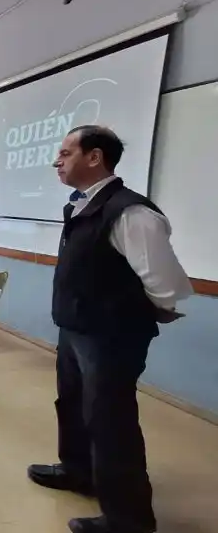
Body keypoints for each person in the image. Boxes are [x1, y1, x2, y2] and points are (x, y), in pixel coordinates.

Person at [28, 126, 192, 533]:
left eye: (66, 153)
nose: (57, 161)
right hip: (76, 328)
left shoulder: (131, 212)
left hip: (110, 336)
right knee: (72, 403)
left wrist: (122, 312)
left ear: (95, 157)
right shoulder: (81, 206)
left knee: (110, 421)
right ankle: (78, 470)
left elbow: (167, 286)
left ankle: (129, 519)